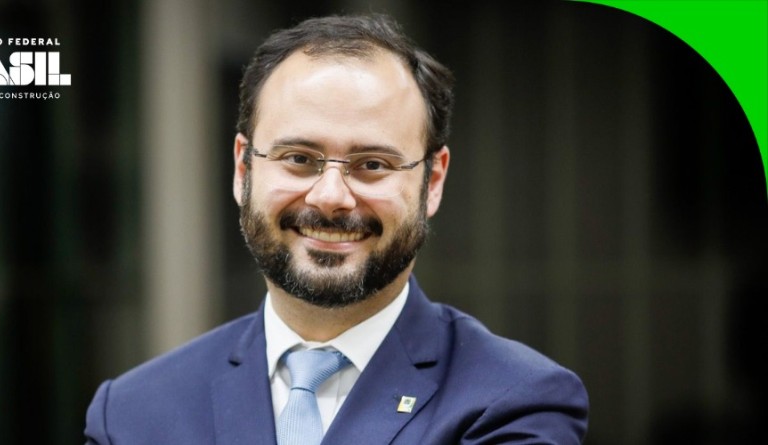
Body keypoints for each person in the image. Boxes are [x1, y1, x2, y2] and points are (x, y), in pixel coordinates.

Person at [84, 12, 589, 444]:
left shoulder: (514, 402)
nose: (329, 197)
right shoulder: (132, 413)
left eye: (372, 164)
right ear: (243, 169)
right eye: (298, 158)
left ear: (432, 182)